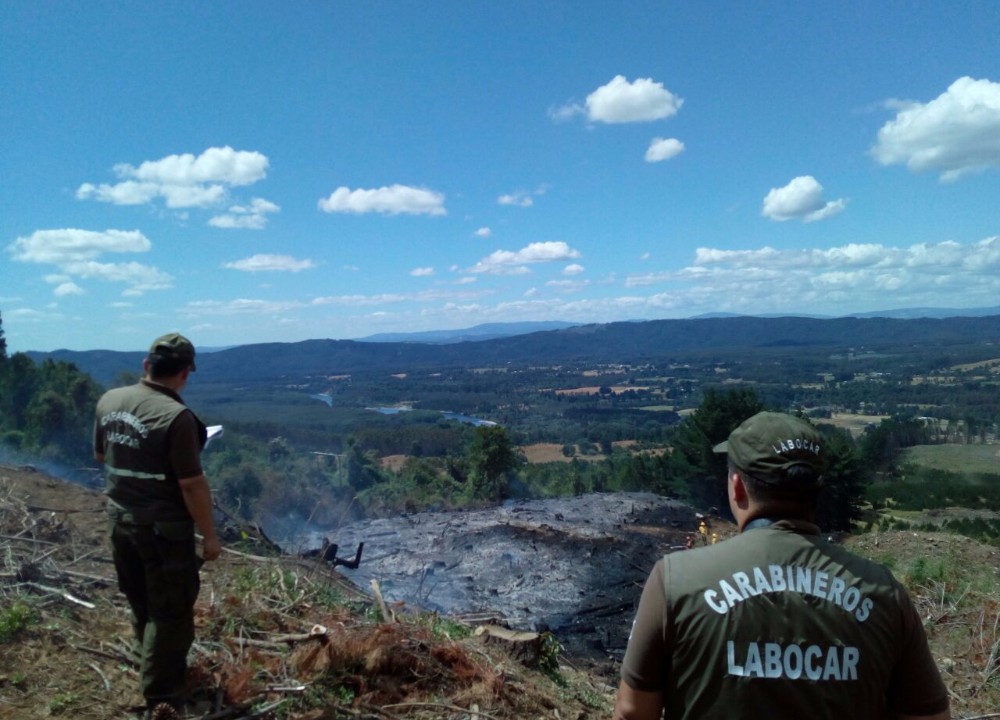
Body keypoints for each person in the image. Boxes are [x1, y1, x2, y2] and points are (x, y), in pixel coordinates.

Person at [613, 411, 950, 720]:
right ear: (816, 490)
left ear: (737, 486)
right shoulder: (883, 593)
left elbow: (633, 712)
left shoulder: (676, 581)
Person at [94, 333, 221, 718]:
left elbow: (101, 455)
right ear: (185, 373)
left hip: (120, 521)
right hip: (163, 532)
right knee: (172, 613)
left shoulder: (109, 401)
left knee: (141, 601)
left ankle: (149, 663)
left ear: (146, 366)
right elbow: (191, 483)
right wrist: (210, 536)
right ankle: (162, 696)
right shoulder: (176, 417)